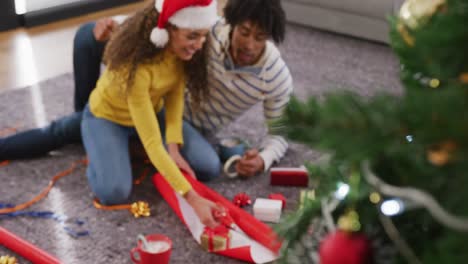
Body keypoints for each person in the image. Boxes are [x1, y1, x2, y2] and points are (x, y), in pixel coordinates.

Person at [0, 0, 292, 180]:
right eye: (244, 32)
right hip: (151, 103)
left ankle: (104, 137)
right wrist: (111, 26)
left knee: (208, 168)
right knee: (88, 37)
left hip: (180, 123)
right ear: (231, 23)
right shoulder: (208, 29)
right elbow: (158, 19)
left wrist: (263, 159)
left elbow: (280, 132)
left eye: (260, 38)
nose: (249, 45)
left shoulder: (275, 77)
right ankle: (87, 124)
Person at [80, 0, 221, 227]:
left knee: (208, 166)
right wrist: (192, 198)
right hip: (107, 118)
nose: (199, 45)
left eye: (204, 36)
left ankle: (130, 149)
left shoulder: (181, 53)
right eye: (193, 36)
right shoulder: (135, 69)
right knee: (113, 191)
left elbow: (175, 97)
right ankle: (96, 145)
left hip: (150, 114)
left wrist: (173, 148)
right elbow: (153, 142)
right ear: (168, 29)